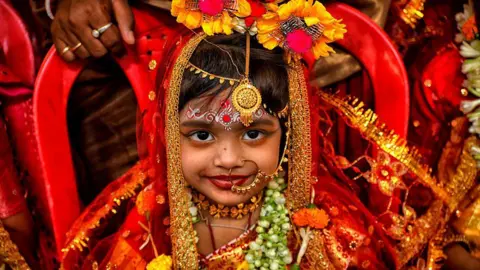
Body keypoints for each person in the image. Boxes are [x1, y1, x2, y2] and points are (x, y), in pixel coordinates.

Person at [58, 0, 480, 269]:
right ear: (169, 133)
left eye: (254, 134)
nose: (228, 158)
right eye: (202, 135)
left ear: (290, 134)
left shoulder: (324, 232)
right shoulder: (151, 222)